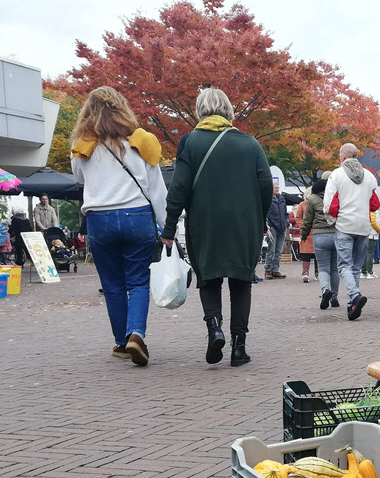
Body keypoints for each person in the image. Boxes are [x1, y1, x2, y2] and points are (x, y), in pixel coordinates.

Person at [161, 86, 272, 366]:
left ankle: (214, 328)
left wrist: (169, 229)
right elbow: (266, 185)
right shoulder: (250, 143)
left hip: (204, 222)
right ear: (228, 110)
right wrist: (260, 218)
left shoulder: (189, 142)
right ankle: (239, 346)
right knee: (241, 282)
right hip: (244, 223)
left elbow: (178, 189)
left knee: (208, 279)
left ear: (200, 110)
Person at [69, 86, 166, 366]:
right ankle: (136, 333)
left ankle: (122, 343)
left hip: (99, 219)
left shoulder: (83, 145)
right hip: (137, 216)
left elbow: (79, 179)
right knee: (138, 280)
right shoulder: (142, 140)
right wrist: (166, 227)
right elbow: (157, 190)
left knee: (112, 284)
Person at [323, 142, 380, 320]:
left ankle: (354, 295)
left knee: (344, 266)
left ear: (343, 156)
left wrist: (333, 221)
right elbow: (375, 204)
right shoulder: (370, 177)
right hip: (363, 228)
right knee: (355, 267)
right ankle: (352, 305)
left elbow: (330, 204)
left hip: (345, 226)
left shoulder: (337, 175)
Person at [301, 174, 340, 309]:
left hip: (319, 236)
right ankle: (334, 298)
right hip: (336, 235)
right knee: (335, 269)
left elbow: (307, 220)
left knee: (323, 268)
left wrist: (303, 235)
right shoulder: (338, 196)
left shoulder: (312, 199)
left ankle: (325, 290)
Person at [264, 167, 287, 279]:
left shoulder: (281, 198)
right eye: (276, 188)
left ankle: (275, 270)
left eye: (278, 188)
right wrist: (269, 225)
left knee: (278, 250)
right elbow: (266, 213)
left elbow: (284, 212)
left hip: (282, 227)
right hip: (272, 227)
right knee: (271, 250)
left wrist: (286, 222)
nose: (277, 189)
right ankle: (268, 270)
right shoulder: (268, 199)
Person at [294, 198, 318, 283]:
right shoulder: (302, 205)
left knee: (318, 254)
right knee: (305, 253)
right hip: (306, 232)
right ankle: (305, 273)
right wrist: (303, 226)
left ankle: (317, 273)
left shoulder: (318, 203)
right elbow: (298, 217)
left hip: (316, 231)